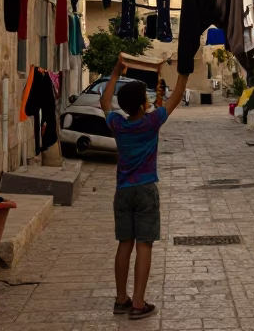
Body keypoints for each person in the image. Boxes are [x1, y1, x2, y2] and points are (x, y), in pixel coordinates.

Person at [101, 57, 187, 320]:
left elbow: (104, 102)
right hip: (146, 191)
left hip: (123, 192)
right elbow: (177, 96)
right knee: (144, 245)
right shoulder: (151, 123)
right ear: (142, 105)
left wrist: (115, 72)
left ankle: (121, 299)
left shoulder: (117, 124)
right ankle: (138, 302)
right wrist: (183, 70)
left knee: (124, 244)